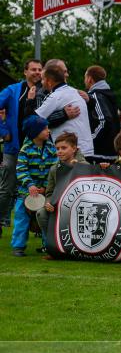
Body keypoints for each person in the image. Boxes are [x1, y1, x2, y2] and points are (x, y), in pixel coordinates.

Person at [0, 59, 45, 230]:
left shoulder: (46, 91)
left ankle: (36, 227)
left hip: (38, 150)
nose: (37, 72)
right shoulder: (12, 91)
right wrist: (3, 131)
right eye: (33, 69)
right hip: (14, 148)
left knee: (36, 189)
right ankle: (2, 220)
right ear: (25, 72)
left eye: (40, 69)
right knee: (7, 188)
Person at [29, 60, 93, 159]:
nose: (41, 82)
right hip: (86, 149)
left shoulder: (55, 96)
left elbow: (34, 122)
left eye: (42, 79)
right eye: (64, 71)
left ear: (49, 81)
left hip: (70, 152)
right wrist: (63, 114)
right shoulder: (76, 92)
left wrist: (29, 101)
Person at [12, 116, 57, 256]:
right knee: (21, 218)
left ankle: (47, 245)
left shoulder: (51, 148)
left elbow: (53, 168)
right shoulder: (25, 149)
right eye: (45, 128)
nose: (48, 131)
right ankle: (18, 246)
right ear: (35, 132)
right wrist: (30, 185)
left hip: (44, 192)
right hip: (25, 192)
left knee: (46, 219)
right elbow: (21, 170)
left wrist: (45, 186)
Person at [36, 132, 84, 255]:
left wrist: (78, 167)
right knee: (41, 213)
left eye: (64, 148)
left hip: (80, 207)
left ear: (74, 149)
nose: (60, 151)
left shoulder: (85, 166)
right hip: (59, 207)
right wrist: (48, 203)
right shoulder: (54, 169)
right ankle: (52, 247)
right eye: (57, 149)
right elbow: (50, 192)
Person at [81, 65, 120, 163]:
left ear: (89, 79)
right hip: (111, 151)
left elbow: (104, 120)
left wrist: (91, 139)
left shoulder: (95, 95)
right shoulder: (109, 94)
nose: (84, 80)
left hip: (98, 153)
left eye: (85, 77)